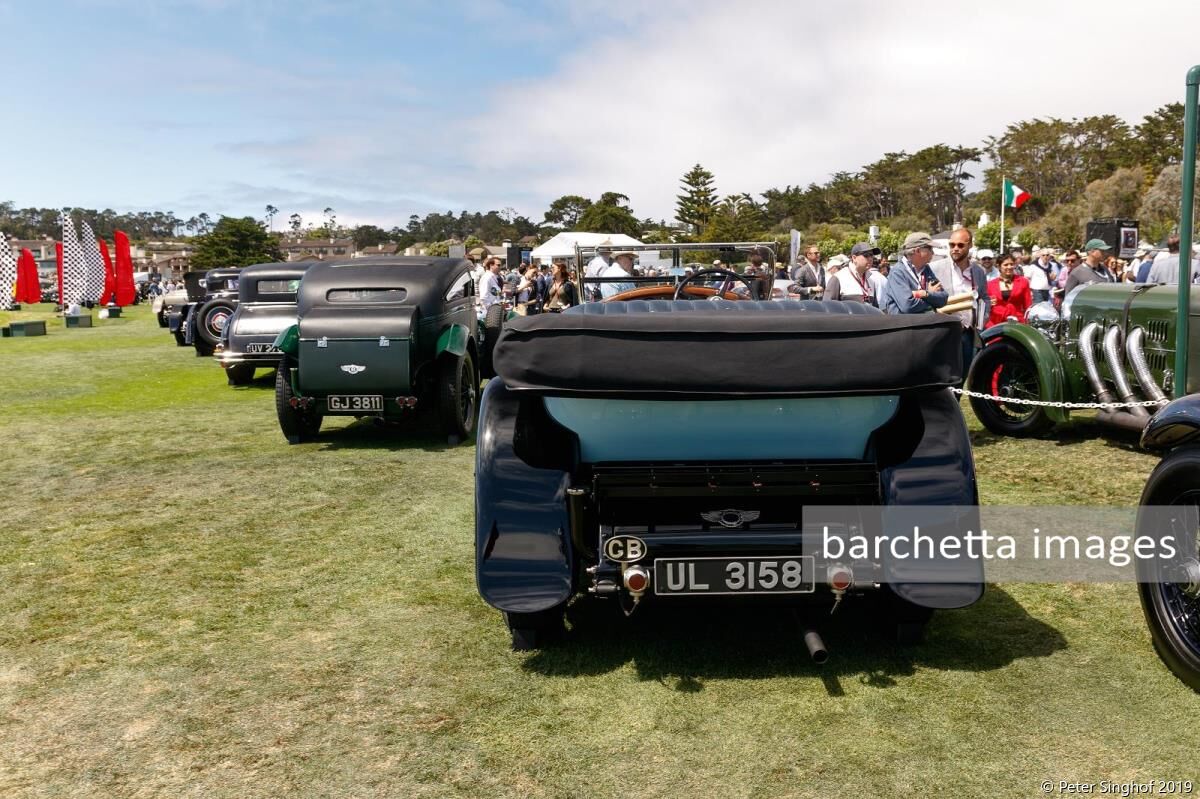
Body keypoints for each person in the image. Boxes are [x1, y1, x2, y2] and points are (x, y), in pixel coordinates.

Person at [931, 228, 990, 377]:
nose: (955, 249)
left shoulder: (978, 271)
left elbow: (984, 298)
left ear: (970, 245)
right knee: (944, 377)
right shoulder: (935, 268)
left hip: (969, 334)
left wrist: (981, 320)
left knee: (963, 376)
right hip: (945, 332)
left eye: (960, 245)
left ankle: (955, 400)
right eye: (952, 245)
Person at [881, 232, 947, 315]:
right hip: (907, 326)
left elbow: (944, 298)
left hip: (927, 324)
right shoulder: (897, 272)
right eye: (930, 248)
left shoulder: (926, 269)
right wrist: (931, 297)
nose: (933, 253)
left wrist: (925, 294)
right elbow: (908, 306)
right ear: (917, 251)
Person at [985, 252, 1032, 328]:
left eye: (1011, 264)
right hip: (995, 324)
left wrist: (1028, 323)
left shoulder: (1023, 282)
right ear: (999, 266)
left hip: (1017, 323)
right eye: (1006, 265)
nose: (1009, 267)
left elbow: (1028, 305)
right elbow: (986, 307)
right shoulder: (990, 284)